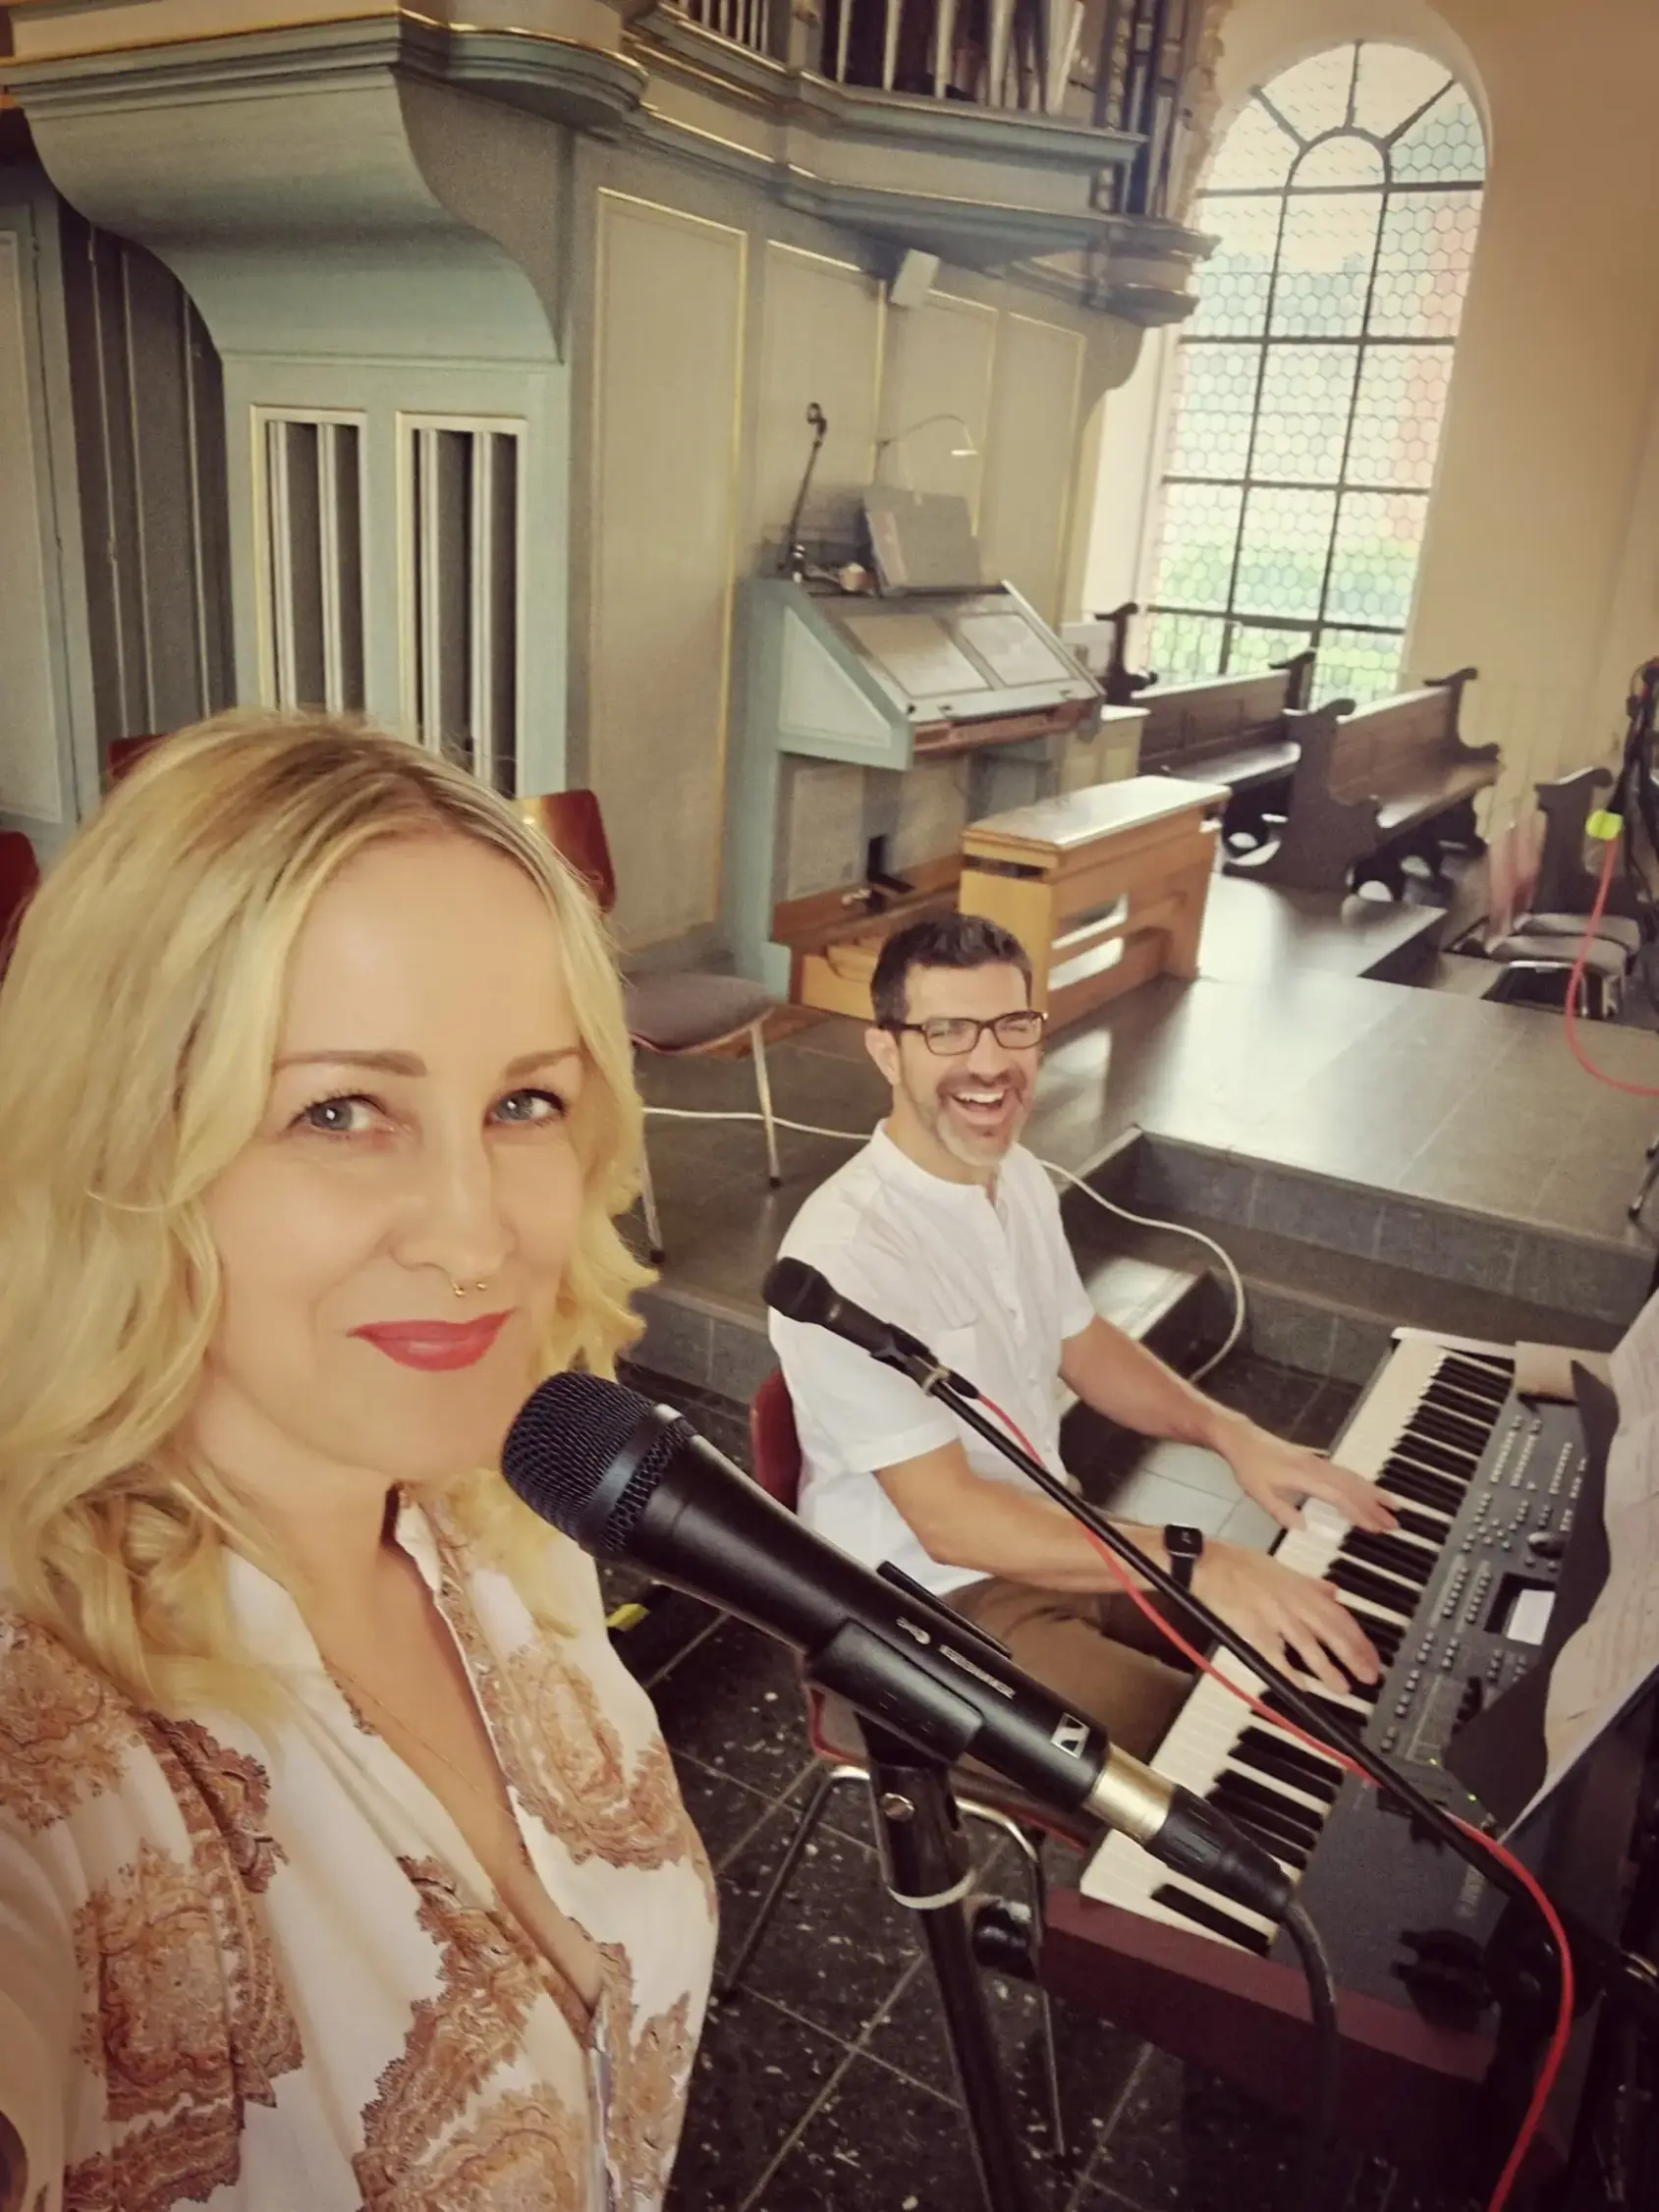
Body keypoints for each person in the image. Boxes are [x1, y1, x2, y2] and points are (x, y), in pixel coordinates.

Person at [0, 715, 714, 2212]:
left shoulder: (500, 1511)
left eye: (523, 1102)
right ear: (124, 1148)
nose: (474, 1233)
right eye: (339, 1111)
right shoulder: (45, 1733)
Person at [768, 913, 1394, 1761]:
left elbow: (1083, 1343)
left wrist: (1232, 1434)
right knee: (1243, 1760)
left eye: (1011, 1026)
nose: (989, 1062)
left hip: (1053, 1529)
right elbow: (950, 1525)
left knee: (1319, 1661)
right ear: (887, 1051)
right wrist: (1198, 1559)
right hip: (927, 1602)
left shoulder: (1016, 1173)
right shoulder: (845, 1255)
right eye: (948, 1032)